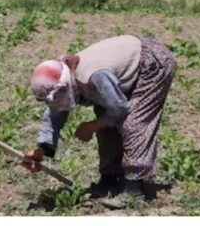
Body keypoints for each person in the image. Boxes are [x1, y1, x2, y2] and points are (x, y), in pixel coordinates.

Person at [22, 35, 176, 209]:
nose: (57, 103)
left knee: (133, 122)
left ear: (65, 86)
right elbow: (53, 115)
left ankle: (134, 189)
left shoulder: (94, 77)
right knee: (105, 122)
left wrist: (92, 126)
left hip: (151, 63)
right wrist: (42, 149)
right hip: (120, 69)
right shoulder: (62, 77)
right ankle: (109, 179)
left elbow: (120, 109)